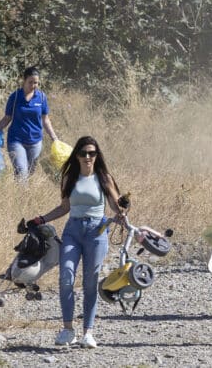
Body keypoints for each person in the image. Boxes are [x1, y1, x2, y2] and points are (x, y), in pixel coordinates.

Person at [27, 136, 125, 349]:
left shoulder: (104, 178)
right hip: (73, 231)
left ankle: (88, 332)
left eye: (92, 153)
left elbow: (116, 206)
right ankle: (67, 329)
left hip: (97, 232)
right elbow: (64, 208)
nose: (87, 157)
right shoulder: (69, 177)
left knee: (90, 282)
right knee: (66, 278)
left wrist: (123, 211)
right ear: (77, 156)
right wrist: (41, 219)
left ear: (97, 155)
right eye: (83, 153)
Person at [0, 66, 60, 181]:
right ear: (24, 81)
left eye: (36, 83)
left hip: (35, 142)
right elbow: (7, 118)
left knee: (29, 172)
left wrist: (54, 137)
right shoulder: (15, 97)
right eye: (30, 82)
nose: (33, 85)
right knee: (21, 172)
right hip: (16, 140)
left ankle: (22, 196)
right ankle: (20, 197)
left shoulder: (42, 98)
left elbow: (45, 119)